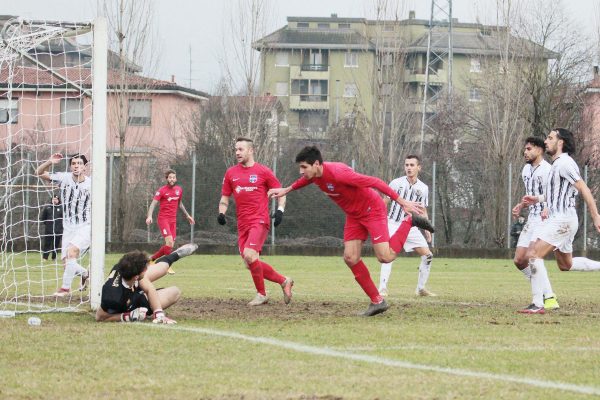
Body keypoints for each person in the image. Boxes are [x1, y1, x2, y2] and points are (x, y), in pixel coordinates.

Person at [268, 146, 434, 317]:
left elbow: (375, 182)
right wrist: (286, 190)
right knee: (350, 258)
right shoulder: (315, 175)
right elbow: (305, 181)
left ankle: (409, 221)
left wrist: (401, 202)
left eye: (304, 167)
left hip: (372, 209)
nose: (301, 172)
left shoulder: (339, 173)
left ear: (316, 164)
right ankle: (377, 301)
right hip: (354, 215)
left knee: (385, 257)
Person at [519, 128, 600, 314]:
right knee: (566, 265)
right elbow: (555, 194)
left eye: (550, 138)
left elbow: (584, 188)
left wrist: (595, 215)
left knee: (533, 255)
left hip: (562, 220)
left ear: (560, 142)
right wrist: (537, 199)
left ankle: (538, 303)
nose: (546, 141)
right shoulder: (556, 164)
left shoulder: (564, 163)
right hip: (560, 219)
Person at [218, 137, 293, 306]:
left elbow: (281, 192)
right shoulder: (231, 173)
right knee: (249, 262)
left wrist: (280, 210)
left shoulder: (263, 171)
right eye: (236, 149)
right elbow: (224, 198)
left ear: (251, 151)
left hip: (259, 220)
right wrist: (221, 213)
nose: (237, 152)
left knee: (250, 255)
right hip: (242, 223)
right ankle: (284, 281)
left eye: (241, 149)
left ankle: (262, 294)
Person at [511, 137, 558, 311]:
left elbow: (553, 194)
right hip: (532, 218)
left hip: (544, 218)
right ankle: (548, 294)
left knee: (533, 257)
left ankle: (544, 299)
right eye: (525, 149)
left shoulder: (547, 170)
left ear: (539, 150)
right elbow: (531, 195)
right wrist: (521, 205)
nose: (525, 152)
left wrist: (547, 208)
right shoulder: (526, 169)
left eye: (529, 149)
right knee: (519, 260)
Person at [95, 243, 198, 323]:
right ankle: (171, 257)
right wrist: (127, 316)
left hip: (132, 284)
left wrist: (159, 314)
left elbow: (149, 288)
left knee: (162, 269)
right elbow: (100, 316)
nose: (147, 269)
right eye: (144, 269)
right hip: (134, 304)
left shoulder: (126, 267)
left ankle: (175, 255)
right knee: (175, 292)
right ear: (136, 277)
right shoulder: (112, 296)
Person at [378, 155, 435, 298]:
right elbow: (384, 203)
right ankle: (382, 288)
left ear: (418, 168)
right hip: (393, 224)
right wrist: (380, 222)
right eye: (407, 165)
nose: (409, 168)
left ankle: (421, 289)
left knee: (428, 256)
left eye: (412, 165)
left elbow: (422, 210)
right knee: (388, 255)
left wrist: (426, 228)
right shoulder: (396, 183)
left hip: (411, 227)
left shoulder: (423, 188)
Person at [36, 153, 91, 297]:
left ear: (85, 167)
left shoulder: (92, 184)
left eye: (79, 163)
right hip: (68, 227)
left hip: (85, 226)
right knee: (67, 264)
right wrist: (49, 161)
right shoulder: (64, 178)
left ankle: (64, 289)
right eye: (73, 163)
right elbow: (39, 173)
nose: (76, 166)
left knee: (72, 252)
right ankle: (85, 273)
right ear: (70, 166)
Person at [146, 169, 195, 275]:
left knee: (170, 245)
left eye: (174, 177)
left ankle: (151, 259)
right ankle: (166, 265)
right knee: (169, 242)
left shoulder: (179, 190)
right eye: (170, 177)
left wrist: (188, 216)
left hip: (173, 221)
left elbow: (180, 204)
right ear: (167, 179)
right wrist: (149, 216)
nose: (172, 179)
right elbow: (153, 204)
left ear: (175, 178)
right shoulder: (162, 190)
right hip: (163, 220)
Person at [40, 195, 63, 261]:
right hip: (49, 230)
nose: (54, 200)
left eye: (56, 199)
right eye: (53, 199)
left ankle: (54, 257)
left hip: (58, 230)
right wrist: (48, 224)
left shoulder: (61, 208)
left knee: (56, 245)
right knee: (47, 244)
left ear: (58, 200)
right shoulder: (47, 208)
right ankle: (45, 257)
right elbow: (43, 218)